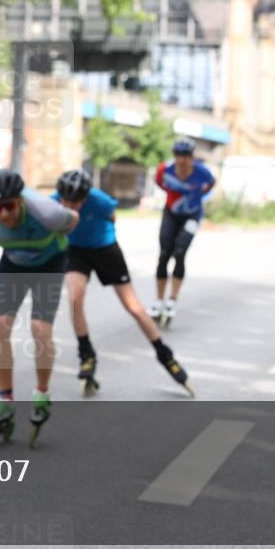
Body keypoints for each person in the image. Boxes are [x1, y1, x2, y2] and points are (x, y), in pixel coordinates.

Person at [53, 169, 193, 397]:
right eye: (65, 200)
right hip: (76, 251)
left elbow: (113, 218)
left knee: (133, 306)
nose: (69, 205)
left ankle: (165, 354)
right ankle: (86, 355)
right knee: (75, 298)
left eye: (75, 201)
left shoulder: (101, 202)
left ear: (86, 197)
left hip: (105, 248)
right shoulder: (53, 203)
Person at [0, 169, 79, 447]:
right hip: (14, 264)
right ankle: (5, 400)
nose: (4, 214)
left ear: (20, 201)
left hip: (51, 262)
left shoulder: (48, 214)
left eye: (9, 206)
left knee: (40, 330)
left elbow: (73, 220)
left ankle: (42, 393)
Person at [151, 137, 215, 325]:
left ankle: (172, 299)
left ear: (192, 157)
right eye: (178, 155)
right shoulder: (165, 169)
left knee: (180, 252)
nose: (181, 160)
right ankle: (158, 300)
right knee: (164, 254)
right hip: (171, 213)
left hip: (191, 215)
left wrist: (198, 196)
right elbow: (159, 182)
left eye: (185, 156)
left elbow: (211, 184)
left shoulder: (202, 172)